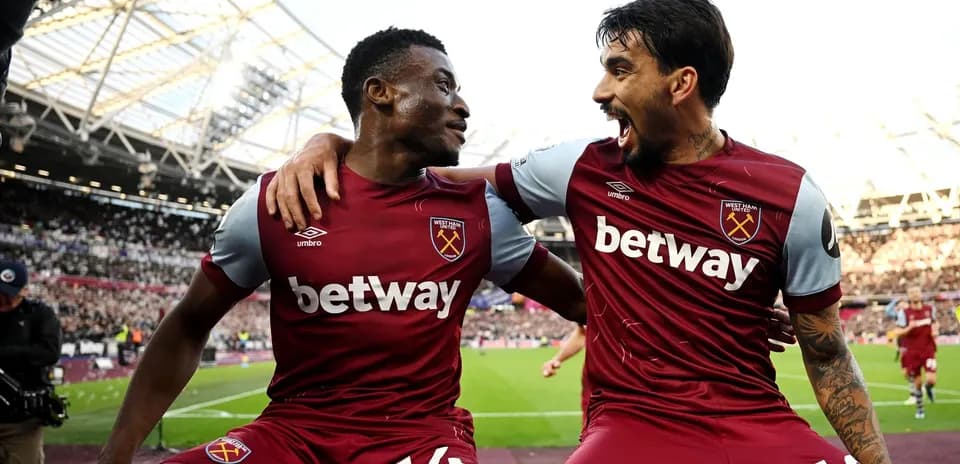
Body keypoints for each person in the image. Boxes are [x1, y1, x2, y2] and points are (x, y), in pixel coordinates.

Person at [266, 1, 892, 462]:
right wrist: (335, 143)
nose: (599, 91)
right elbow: (425, 178)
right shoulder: (583, 169)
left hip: (757, 424)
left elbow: (828, 353)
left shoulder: (790, 196)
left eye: (620, 70)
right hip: (631, 425)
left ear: (681, 84)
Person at [98, 28, 588, 464]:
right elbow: (188, 324)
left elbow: (585, 304)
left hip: (422, 439)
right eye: (443, 85)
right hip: (292, 436)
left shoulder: (478, 212)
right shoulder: (278, 202)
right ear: (380, 93)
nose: (462, 105)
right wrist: (116, 455)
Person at [0, 259, 62, 464]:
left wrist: (5, 354)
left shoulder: (39, 314)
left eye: (10, 294)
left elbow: (49, 352)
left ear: (24, 291)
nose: (4, 300)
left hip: (21, 421)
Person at [896, 286, 937, 419]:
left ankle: (929, 388)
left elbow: (935, 323)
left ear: (921, 294)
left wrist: (935, 330)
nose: (915, 294)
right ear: (909, 296)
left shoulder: (929, 309)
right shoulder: (904, 313)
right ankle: (920, 409)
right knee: (917, 383)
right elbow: (898, 331)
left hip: (928, 349)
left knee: (931, 380)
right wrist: (909, 328)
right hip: (912, 352)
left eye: (917, 292)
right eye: (912, 293)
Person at [541, 324, 588, 423]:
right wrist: (557, 359)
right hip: (597, 391)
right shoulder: (591, 314)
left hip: (620, 384)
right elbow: (582, 333)